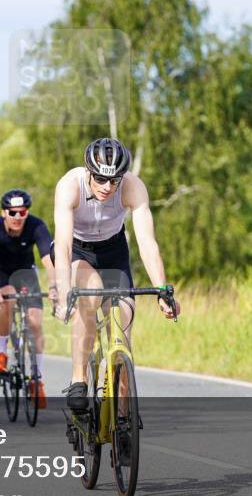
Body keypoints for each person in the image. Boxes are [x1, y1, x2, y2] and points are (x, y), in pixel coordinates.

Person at [53, 138, 179, 411]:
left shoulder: (133, 186)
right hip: (77, 252)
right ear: (88, 171)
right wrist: (64, 294)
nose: (108, 187)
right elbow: (61, 245)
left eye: (114, 180)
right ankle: (78, 380)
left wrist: (162, 290)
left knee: (123, 323)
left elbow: (147, 241)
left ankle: (122, 418)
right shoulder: (69, 185)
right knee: (92, 294)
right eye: (100, 179)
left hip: (113, 251)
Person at [0, 189, 57, 409]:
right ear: (3, 212)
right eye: (12, 212)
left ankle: (37, 378)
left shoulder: (36, 226)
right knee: (7, 300)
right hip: (1, 273)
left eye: (21, 212)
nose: (17, 217)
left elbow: (48, 260)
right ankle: (2, 353)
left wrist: (54, 286)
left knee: (35, 321)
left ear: (27, 213)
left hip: (25, 272)